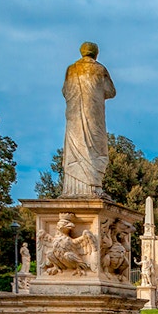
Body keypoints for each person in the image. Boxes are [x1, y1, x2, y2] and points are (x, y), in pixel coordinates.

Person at [62, 42, 115, 198]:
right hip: (94, 115)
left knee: (76, 145)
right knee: (97, 147)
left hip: (74, 116)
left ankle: (74, 188)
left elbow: (65, 91)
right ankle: (93, 187)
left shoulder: (71, 70)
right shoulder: (100, 69)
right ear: (96, 53)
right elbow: (111, 91)